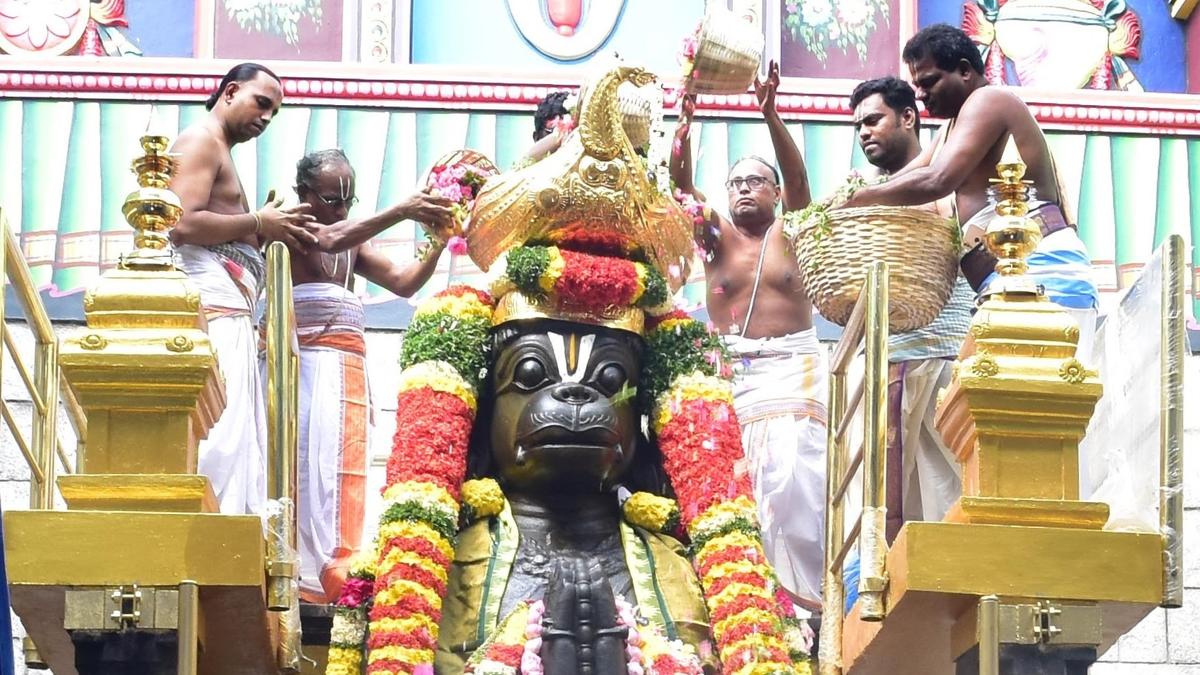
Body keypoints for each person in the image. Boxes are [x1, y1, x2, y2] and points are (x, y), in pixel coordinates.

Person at [844, 24, 1099, 360]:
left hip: (1040, 275)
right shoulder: (952, 126)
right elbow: (915, 170)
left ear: (965, 70)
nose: (920, 94)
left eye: (929, 81)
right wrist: (851, 197)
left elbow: (937, 179)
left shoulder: (988, 100)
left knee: (1030, 405)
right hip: (1005, 284)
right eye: (917, 85)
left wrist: (863, 199)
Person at [670, 60, 825, 610]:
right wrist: (685, 121)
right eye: (736, 181)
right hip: (733, 370)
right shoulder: (714, 239)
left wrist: (769, 110)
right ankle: (750, 595)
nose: (743, 190)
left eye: (755, 181)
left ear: (776, 194)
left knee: (794, 477)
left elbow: (803, 181)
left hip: (794, 366)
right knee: (743, 481)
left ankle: (809, 599)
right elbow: (680, 185)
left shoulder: (794, 227)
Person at [277, 148, 455, 602]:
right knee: (307, 468)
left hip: (348, 371)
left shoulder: (352, 239)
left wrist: (439, 240)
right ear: (305, 194)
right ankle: (302, 576)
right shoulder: (291, 222)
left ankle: (340, 567)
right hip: (305, 369)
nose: (341, 208)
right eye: (332, 199)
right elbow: (330, 239)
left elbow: (404, 281)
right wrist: (402, 209)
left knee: (345, 467)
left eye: (348, 200)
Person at [169, 62, 319, 515]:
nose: (267, 118)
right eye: (262, 103)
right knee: (222, 430)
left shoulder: (219, 148)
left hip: (232, 307)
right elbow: (180, 223)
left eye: (275, 112)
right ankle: (209, 539)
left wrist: (263, 229)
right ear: (230, 91)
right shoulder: (200, 140)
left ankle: (226, 538)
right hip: (212, 307)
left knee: (238, 432)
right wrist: (258, 222)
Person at [850, 77, 972, 541]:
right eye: (857, 124)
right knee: (880, 512)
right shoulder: (861, 194)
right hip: (882, 365)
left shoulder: (947, 180)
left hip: (942, 360)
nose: (863, 131)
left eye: (874, 119)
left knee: (950, 499)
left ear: (908, 117)